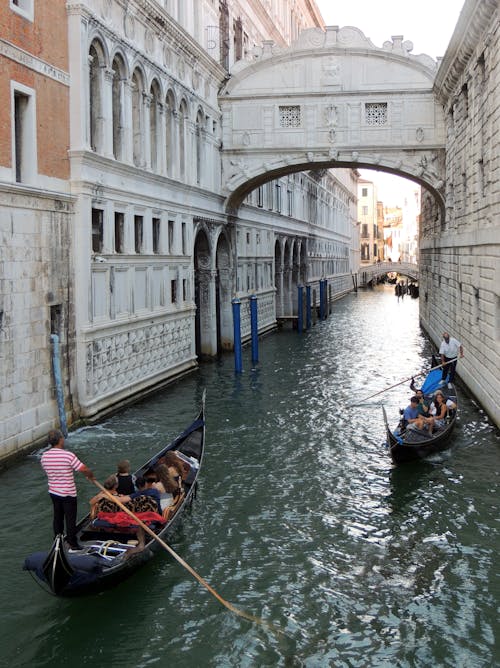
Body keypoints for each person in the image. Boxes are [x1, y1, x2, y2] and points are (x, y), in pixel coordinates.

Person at [41, 429, 94, 551]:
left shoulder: (44, 456)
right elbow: (83, 468)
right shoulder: (68, 455)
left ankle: (57, 542)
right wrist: (90, 475)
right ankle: (73, 544)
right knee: (70, 519)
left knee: (57, 517)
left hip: (54, 492)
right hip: (68, 493)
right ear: (60, 440)